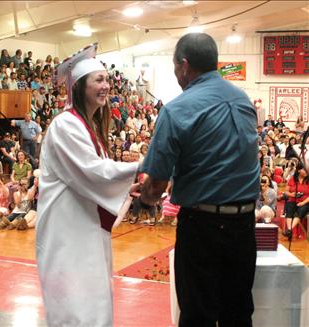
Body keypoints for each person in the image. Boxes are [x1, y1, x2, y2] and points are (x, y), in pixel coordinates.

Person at [139, 33, 259, 327]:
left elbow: (155, 187)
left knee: (197, 316)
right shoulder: (243, 100)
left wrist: (143, 197)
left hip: (202, 227)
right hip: (244, 225)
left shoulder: (176, 109)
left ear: (183, 65)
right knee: (238, 314)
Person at [36, 44, 139, 326]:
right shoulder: (65, 125)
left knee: (93, 304)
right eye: (99, 80)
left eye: (107, 80)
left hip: (86, 232)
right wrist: (141, 166)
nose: (106, 86)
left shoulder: (87, 126)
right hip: (67, 234)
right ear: (79, 87)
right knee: (75, 308)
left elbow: (93, 177)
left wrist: (128, 188)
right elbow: (93, 173)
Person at [282, 161, 309, 241]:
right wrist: (292, 195)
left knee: (301, 210)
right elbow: (286, 191)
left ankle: (289, 230)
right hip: (293, 200)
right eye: (304, 170)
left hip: (305, 202)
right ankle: (290, 230)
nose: (306, 171)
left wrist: (303, 203)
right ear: (299, 170)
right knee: (289, 206)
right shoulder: (292, 179)